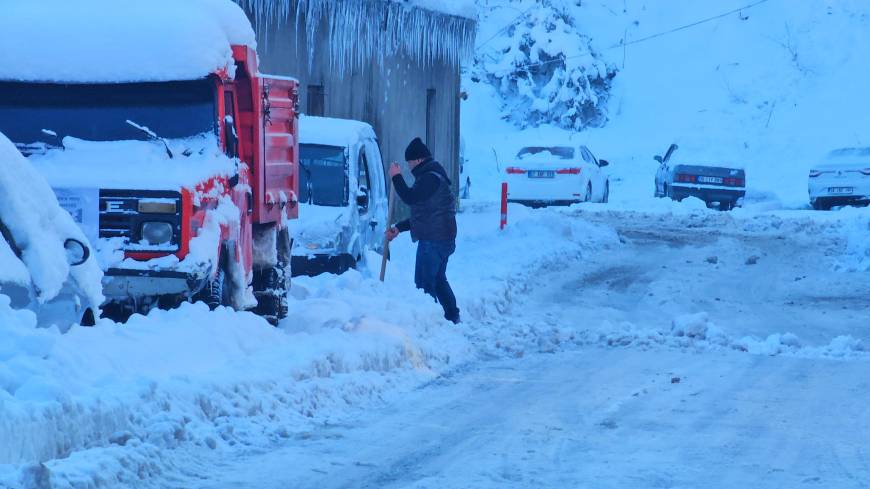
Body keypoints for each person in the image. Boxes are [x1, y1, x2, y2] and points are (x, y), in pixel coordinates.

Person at [386, 137, 460, 324]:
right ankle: (452, 317)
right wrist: (399, 228)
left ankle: (430, 324)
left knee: (424, 285)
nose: (409, 167)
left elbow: (410, 197)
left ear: (418, 160)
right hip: (442, 238)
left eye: (409, 162)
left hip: (434, 241)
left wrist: (396, 176)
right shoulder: (434, 176)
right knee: (438, 280)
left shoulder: (429, 178)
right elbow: (426, 215)